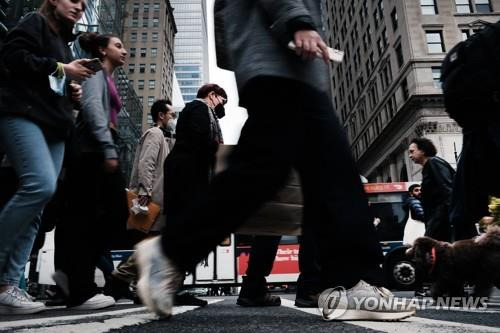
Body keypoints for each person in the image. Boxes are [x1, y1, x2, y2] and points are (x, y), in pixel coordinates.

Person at [135, 0, 416, 321]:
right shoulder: (198, 110)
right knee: (315, 173)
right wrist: (296, 19)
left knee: (279, 173)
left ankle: (170, 252)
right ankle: (354, 280)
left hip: (279, 61)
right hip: (281, 60)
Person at [0, 0, 94, 315]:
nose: (80, 6)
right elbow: (12, 58)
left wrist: (72, 90)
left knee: (39, 203)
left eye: (84, 2)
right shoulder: (33, 22)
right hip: (22, 115)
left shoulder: (65, 45)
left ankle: (8, 285)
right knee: (39, 186)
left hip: (54, 126)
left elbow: (54, 82)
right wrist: (61, 69)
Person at [53, 32, 129, 310]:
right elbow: (92, 108)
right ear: (102, 49)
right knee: (94, 218)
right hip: (92, 149)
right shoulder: (95, 71)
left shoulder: (107, 76)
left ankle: (70, 282)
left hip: (98, 147)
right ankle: (79, 287)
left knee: (93, 218)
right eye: (118, 46)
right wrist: (108, 149)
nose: (125, 51)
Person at [105, 99, 177, 303]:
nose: (174, 118)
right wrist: (146, 190)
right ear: (161, 115)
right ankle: (122, 278)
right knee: (152, 241)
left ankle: (137, 286)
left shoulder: (164, 136)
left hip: (157, 198)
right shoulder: (154, 133)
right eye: (172, 114)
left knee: (150, 242)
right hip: (152, 198)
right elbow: (147, 163)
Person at [409, 138, 455, 242]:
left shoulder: (434, 162)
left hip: (442, 220)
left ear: (423, 151)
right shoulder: (428, 167)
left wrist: (452, 217)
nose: (410, 156)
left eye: (412, 151)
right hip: (438, 220)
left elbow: (447, 189)